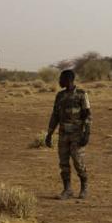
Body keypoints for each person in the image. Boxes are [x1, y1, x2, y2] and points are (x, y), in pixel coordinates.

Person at [46, 67, 91, 199]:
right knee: (63, 163)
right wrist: (49, 134)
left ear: (68, 80)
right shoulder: (59, 96)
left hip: (77, 134)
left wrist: (86, 133)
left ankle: (84, 187)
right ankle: (67, 189)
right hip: (63, 134)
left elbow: (87, 115)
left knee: (78, 161)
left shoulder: (82, 94)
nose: (59, 81)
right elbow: (55, 115)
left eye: (61, 79)